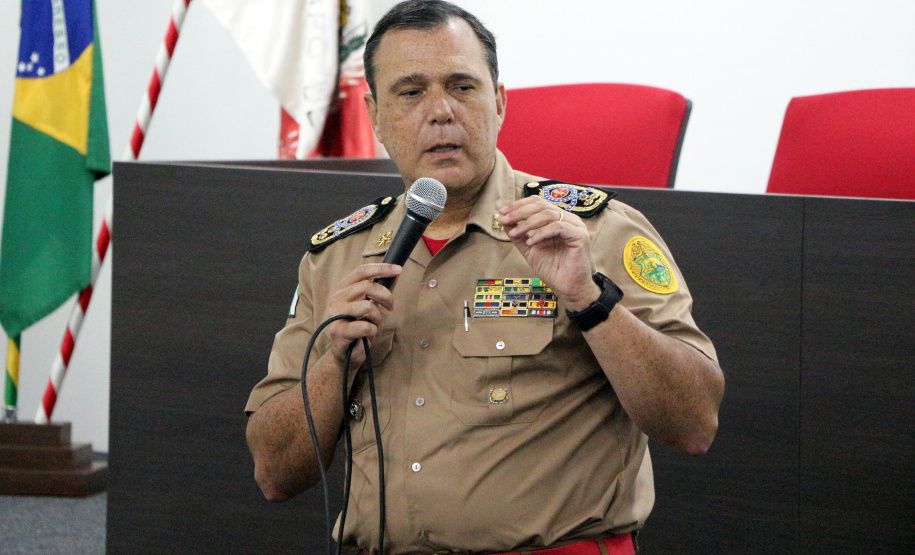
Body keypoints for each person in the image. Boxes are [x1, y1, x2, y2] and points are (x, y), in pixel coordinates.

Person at [245, 1, 724, 553]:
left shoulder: (591, 233)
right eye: (411, 92)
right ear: (375, 116)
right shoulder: (337, 256)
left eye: (462, 86)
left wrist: (590, 300)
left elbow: (695, 424)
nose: (441, 111)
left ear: (498, 102)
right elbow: (274, 473)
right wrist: (334, 364)